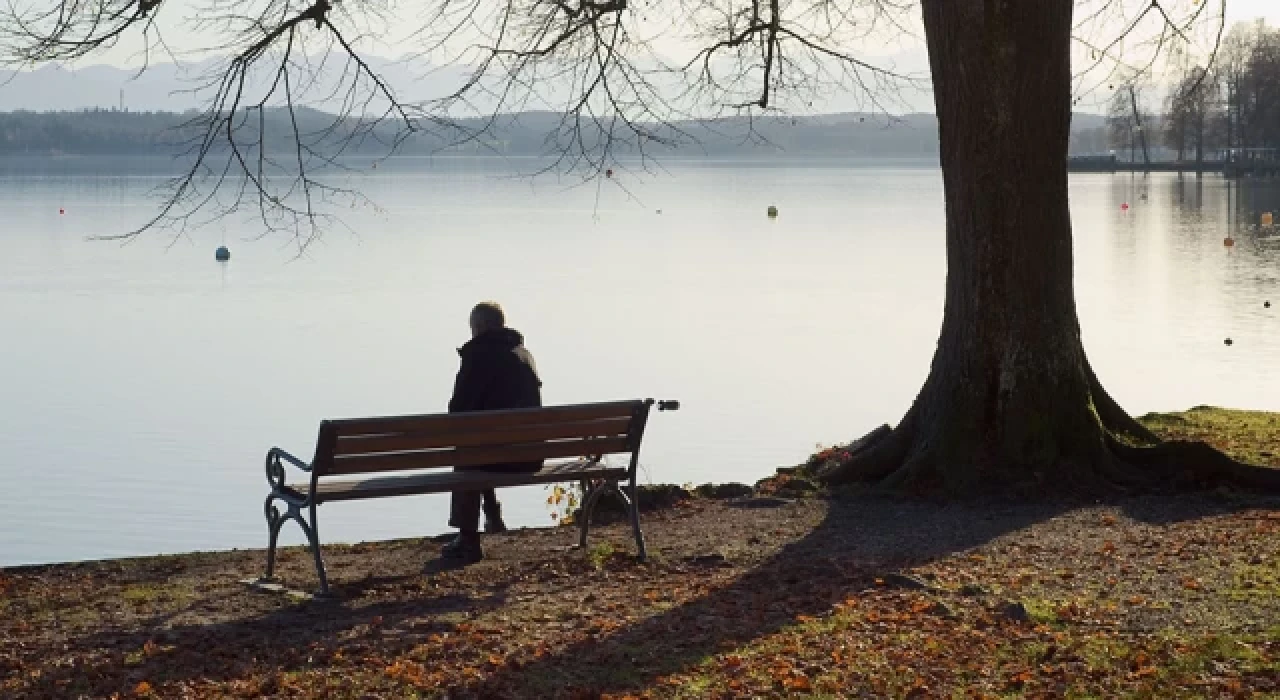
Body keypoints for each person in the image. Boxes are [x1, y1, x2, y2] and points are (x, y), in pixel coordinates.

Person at [441, 301, 543, 563]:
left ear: (480, 327)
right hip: (529, 456)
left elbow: (457, 412)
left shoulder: (477, 356)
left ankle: (468, 539)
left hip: (494, 457)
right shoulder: (524, 355)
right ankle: (493, 517)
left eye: (472, 327)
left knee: (468, 451)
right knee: (481, 447)